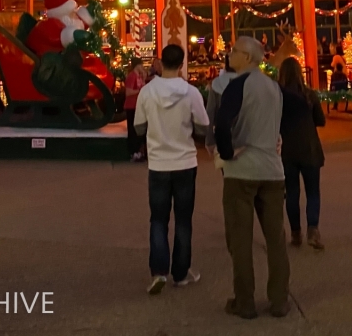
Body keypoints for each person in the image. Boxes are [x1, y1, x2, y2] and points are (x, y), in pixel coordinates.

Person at [214, 36, 290, 320]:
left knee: (240, 239)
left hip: (242, 171)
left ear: (247, 57)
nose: (229, 55)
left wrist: (226, 152)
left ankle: (244, 302)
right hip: (273, 170)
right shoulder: (274, 87)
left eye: (233, 51)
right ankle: (279, 300)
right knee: (275, 239)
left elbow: (222, 123)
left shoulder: (237, 86)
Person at [133, 44, 210, 294]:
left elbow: (139, 128)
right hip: (185, 162)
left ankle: (158, 271)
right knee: (184, 220)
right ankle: (180, 272)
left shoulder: (147, 92)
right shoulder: (191, 93)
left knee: (158, 218)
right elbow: (202, 127)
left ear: (159, 62)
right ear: (182, 63)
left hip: (158, 164)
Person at [277, 58, 325, 250]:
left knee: (292, 192)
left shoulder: (279, 97)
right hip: (310, 148)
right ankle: (313, 229)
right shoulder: (309, 95)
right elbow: (320, 120)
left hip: (287, 150)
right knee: (313, 191)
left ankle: (296, 233)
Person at [204, 56, 238, 153]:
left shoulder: (217, 83)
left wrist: (209, 140)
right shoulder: (248, 81)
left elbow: (210, 111)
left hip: (223, 133)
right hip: (245, 135)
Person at [124, 57, 148, 162]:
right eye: (141, 65)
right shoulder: (131, 76)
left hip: (138, 106)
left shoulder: (138, 76)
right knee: (133, 130)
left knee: (138, 129)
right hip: (131, 106)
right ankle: (133, 152)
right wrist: (140, 90)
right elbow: (128, 92)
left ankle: (139, 151)